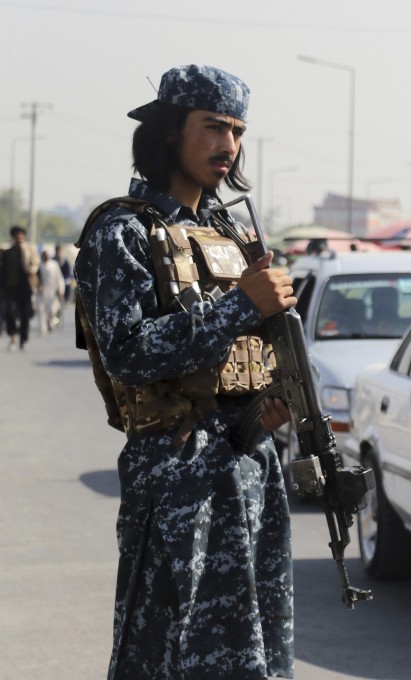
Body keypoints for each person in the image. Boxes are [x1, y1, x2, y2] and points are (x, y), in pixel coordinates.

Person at [73, 65, 297, 679]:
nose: (229, 145)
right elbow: (127, 351)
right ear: (171, 130)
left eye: (238, 131)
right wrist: (242, 305)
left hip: (246, 473)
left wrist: (262, 412)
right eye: (214, 127)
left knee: (252, 654)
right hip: (174, 480)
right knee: (164, 657)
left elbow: (239, 362)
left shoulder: (228, 231)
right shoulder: (124, 230)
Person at [0, 225, 40, 351]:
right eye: (17, 236)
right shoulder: (7, 254)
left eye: (21, 235)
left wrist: (39, 284)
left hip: (25, 290)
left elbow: (35, 270)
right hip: (10, 290)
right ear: (13, 237)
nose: (19, 238)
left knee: (25, 316)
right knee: (10, 313)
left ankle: (24, 340)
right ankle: (12, 336)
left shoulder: (29, 253)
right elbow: (2, 272)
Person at [36, 248, 64, 334]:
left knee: (53, 310)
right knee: (41, 310)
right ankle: (42, 329)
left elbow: (59, 278)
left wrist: (61, 290)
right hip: (42, 291)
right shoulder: (38, 265)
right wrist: (38, 287)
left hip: (52, 291)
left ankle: (51, 322)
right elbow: (35, 278)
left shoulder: (54, 264)